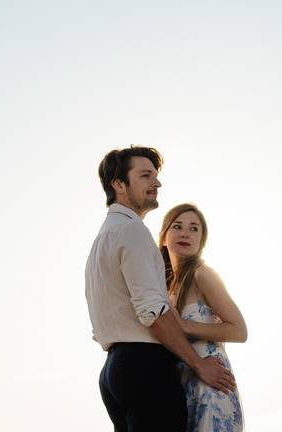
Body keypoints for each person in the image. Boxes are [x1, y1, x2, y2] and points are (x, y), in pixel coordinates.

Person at [85, 146, 236, 431]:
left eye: (156, 176)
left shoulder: (101, 240)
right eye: (145, 176)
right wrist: (199, 364)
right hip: (143, 365)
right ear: (119, 184)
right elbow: (152, 311)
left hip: (113, 372)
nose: (157, 183)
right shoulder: (132, 231)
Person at [159, 203, 246, 432]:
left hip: (213, 385)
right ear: (164, 237)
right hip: (185, 385)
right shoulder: (165, 289)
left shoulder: (203, 274)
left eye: (194, 229)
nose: (185, 233)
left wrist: (185, 326)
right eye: (177, 226)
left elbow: (239, 330)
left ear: (201, 242)